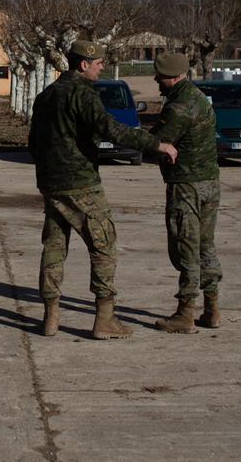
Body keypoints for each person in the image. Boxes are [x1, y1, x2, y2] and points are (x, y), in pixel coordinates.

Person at [28, 40, 178, 339]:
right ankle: (105, 319)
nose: (101, 68)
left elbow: (33, 141)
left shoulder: (46, 95)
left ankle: (51, 317)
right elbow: (110, 128)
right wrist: (155, 144)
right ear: (83, 64)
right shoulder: (83, 94)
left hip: (51, 182)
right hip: (81, 183)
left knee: (55, 246)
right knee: (104, 246)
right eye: (98, 64)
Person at [150, 53, 222, 333]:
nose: (157, 79)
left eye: (161, 75)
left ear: (175, 76)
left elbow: (156, 140)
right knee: (206, 245)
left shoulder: (179, 106)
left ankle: (185, 313)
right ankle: (212, 308)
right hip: (209, 183)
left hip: (187, 187)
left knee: (186, 247)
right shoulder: (199, 97)